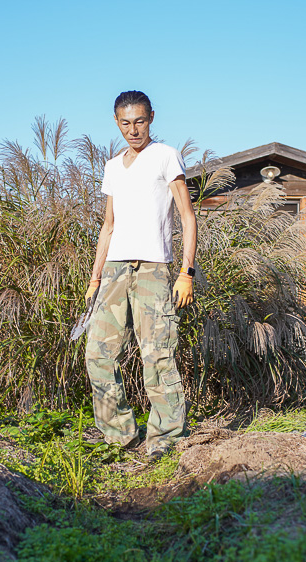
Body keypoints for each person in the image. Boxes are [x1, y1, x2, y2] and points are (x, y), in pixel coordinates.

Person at [84, 90, 198, 462]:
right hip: (115, 270)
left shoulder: (165, 156)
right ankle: (119, 436)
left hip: (153, 269)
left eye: (140, 121)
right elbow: (108, 225)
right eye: (125, 123)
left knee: (158, 355)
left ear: (151, 118)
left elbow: (187, 216)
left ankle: (165, 436)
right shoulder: (113, 166)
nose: (133, 130)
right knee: (97, 354)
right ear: (116, 123)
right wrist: (95, 276)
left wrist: (186, 272)